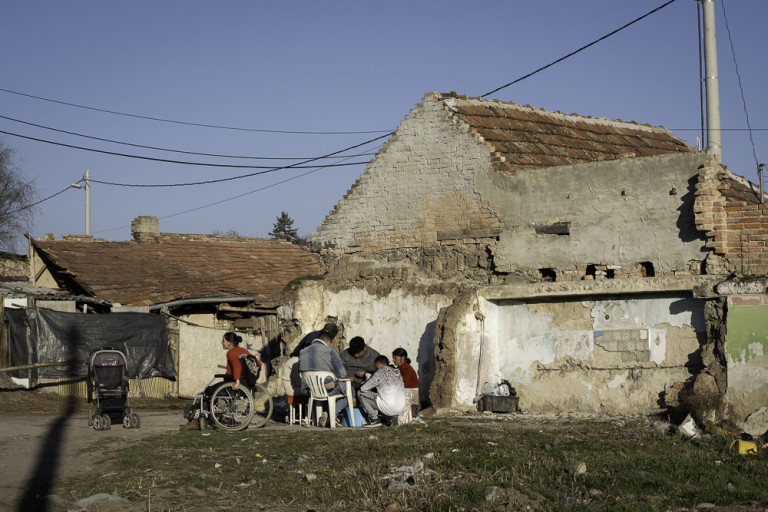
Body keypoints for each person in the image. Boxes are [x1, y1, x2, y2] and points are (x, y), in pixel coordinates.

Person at [181, 331, 257, 430]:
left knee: (208, 391)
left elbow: (237, 366)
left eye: (223, 340)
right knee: (214, 389)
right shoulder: (243, 351)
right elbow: (257, 363)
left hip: (234, 385)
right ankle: (205, 417)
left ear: (229, 343)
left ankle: (209, 420)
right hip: (246, 385)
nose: (222, 342)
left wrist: (237, 380)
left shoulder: (231, 352)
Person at [298, 322, 349, 427]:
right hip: (327, 387)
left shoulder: (302, 351)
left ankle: (326, 413)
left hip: (309, 388)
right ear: (329, 342)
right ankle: (331, 414)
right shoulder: (330, 351)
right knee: (350, 390)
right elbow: (342, 373)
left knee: (332, 389)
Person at [359, 355, 406, 428]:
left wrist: (368, 379)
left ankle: (374, 420)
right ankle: (392, 418)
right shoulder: (397, 371)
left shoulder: (380, 372)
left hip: (388, 407)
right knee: (384, 396)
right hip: (401, 408)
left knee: (360, 393)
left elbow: (363, 389)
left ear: (378, 364)